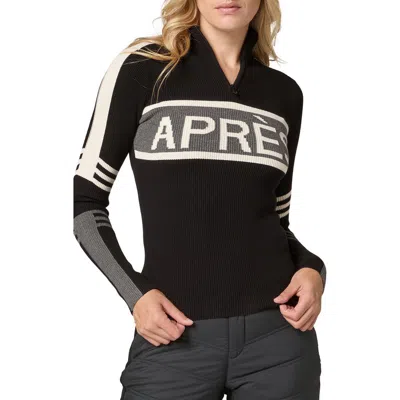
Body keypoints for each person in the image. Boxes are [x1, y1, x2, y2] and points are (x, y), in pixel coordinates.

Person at [73, 0, 326, 398]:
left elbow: (275, 222)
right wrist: (136, 295)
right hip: (173, 338)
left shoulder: (283, 94)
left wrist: (313, 268)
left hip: (279, 342)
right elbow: (87, 205)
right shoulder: (143, 70)